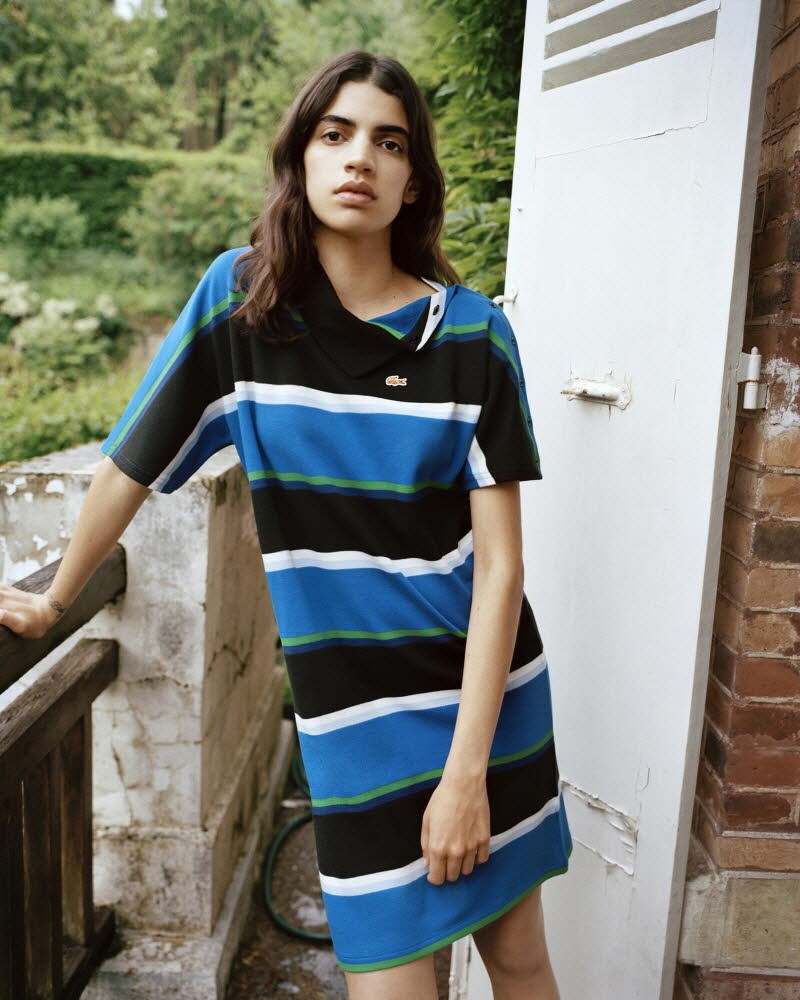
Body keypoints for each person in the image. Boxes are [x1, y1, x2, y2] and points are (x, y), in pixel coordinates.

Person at [0, 49, 572, 1000]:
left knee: (517, 961)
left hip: (483, 704)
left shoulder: (475, 336)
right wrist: (53, 598)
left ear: (413, 181)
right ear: (300, 157)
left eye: (389, 143)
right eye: (335, 134)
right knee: (388, 983)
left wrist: (467, 773)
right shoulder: (242, 305)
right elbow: (129, 463)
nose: (360, 159)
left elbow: (502, 569)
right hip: (351, 727)